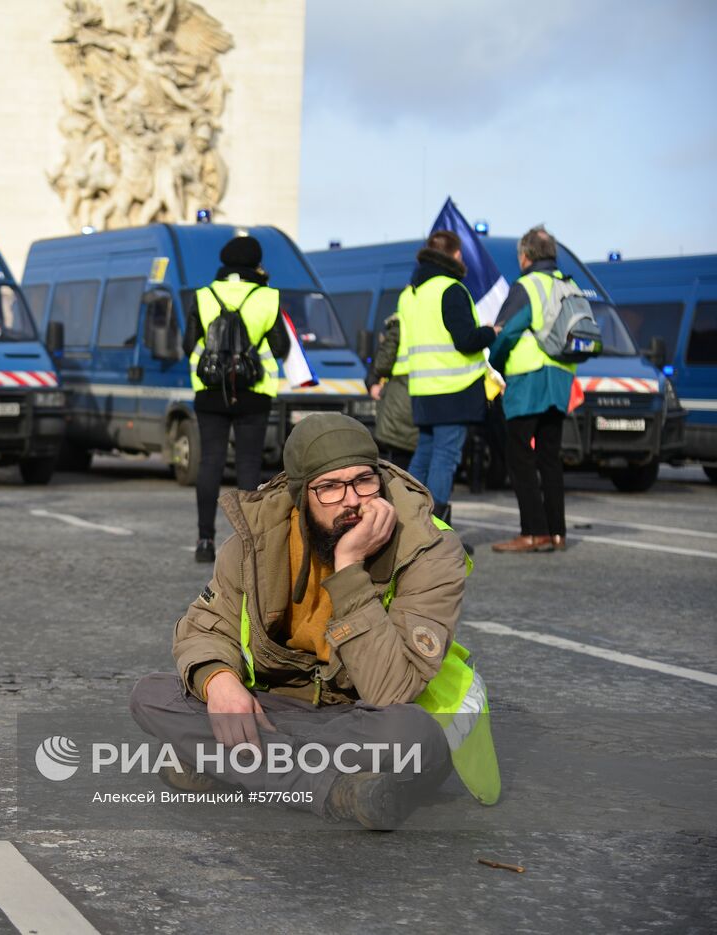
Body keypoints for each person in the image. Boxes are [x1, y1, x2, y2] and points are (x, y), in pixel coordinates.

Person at [130, 414, 485, 829]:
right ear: (301, 497)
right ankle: (334, 791)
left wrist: (349, 567)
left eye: (363, 481)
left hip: (365, 715)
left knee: (414, 738)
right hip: (276, 706)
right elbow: (206, 627)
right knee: (152, 694)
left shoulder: (429, 547)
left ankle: (228, 763)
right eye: (330, 487)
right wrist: (219, 682)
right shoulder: (255, 540)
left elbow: (391, 691)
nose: (352, 500)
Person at [183, 235, 290, 562]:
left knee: (210, 462)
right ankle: (249, 543)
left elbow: (187, 345)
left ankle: (204, 540)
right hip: (254, 393)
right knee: (248, 465)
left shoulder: (203, 296)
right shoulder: (268, 298)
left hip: (210, 392)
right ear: (254, 264)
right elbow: (281, 348)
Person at [399, 230, 498, 522]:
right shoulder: (450, 289)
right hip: (454, 389)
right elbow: (465, 340)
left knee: (424, 456)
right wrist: (490, 333)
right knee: (445, 457)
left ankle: (409, 523)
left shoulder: (410, 293)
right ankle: (437, 531)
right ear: (455, 255)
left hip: (422, 388)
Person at [489, 226, 574, 553]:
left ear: (525, 256)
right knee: (549, 457)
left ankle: (532, 532)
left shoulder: (527, 286)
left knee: (519, 455)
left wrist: (494, 363)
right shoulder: (568, 285)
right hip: (560, 379)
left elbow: (506, 333)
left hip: (528, 379)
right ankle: (557, 533)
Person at [365, 312, 416, 469]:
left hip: (401, 401)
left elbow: (381, 363)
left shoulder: (401, 320)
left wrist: (372, 382)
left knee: (402, 464)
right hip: (414, 400)